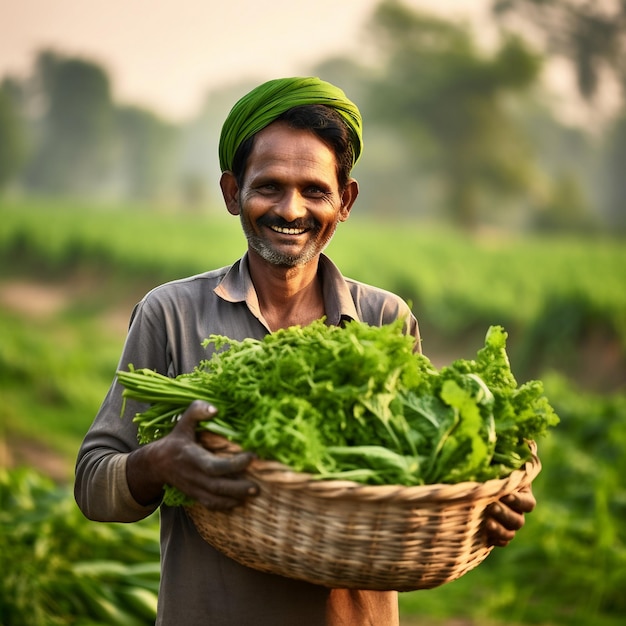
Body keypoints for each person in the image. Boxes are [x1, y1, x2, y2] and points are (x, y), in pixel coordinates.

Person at [74, 76, 536, 626]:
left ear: (345, 201)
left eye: (315, 190)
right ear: (231, 192)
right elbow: (93, 485)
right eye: (269, 186)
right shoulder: (170, 314)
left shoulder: (385, 321)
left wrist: (485, 501)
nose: (291, 210)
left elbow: (420, 477)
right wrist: (158, 463)